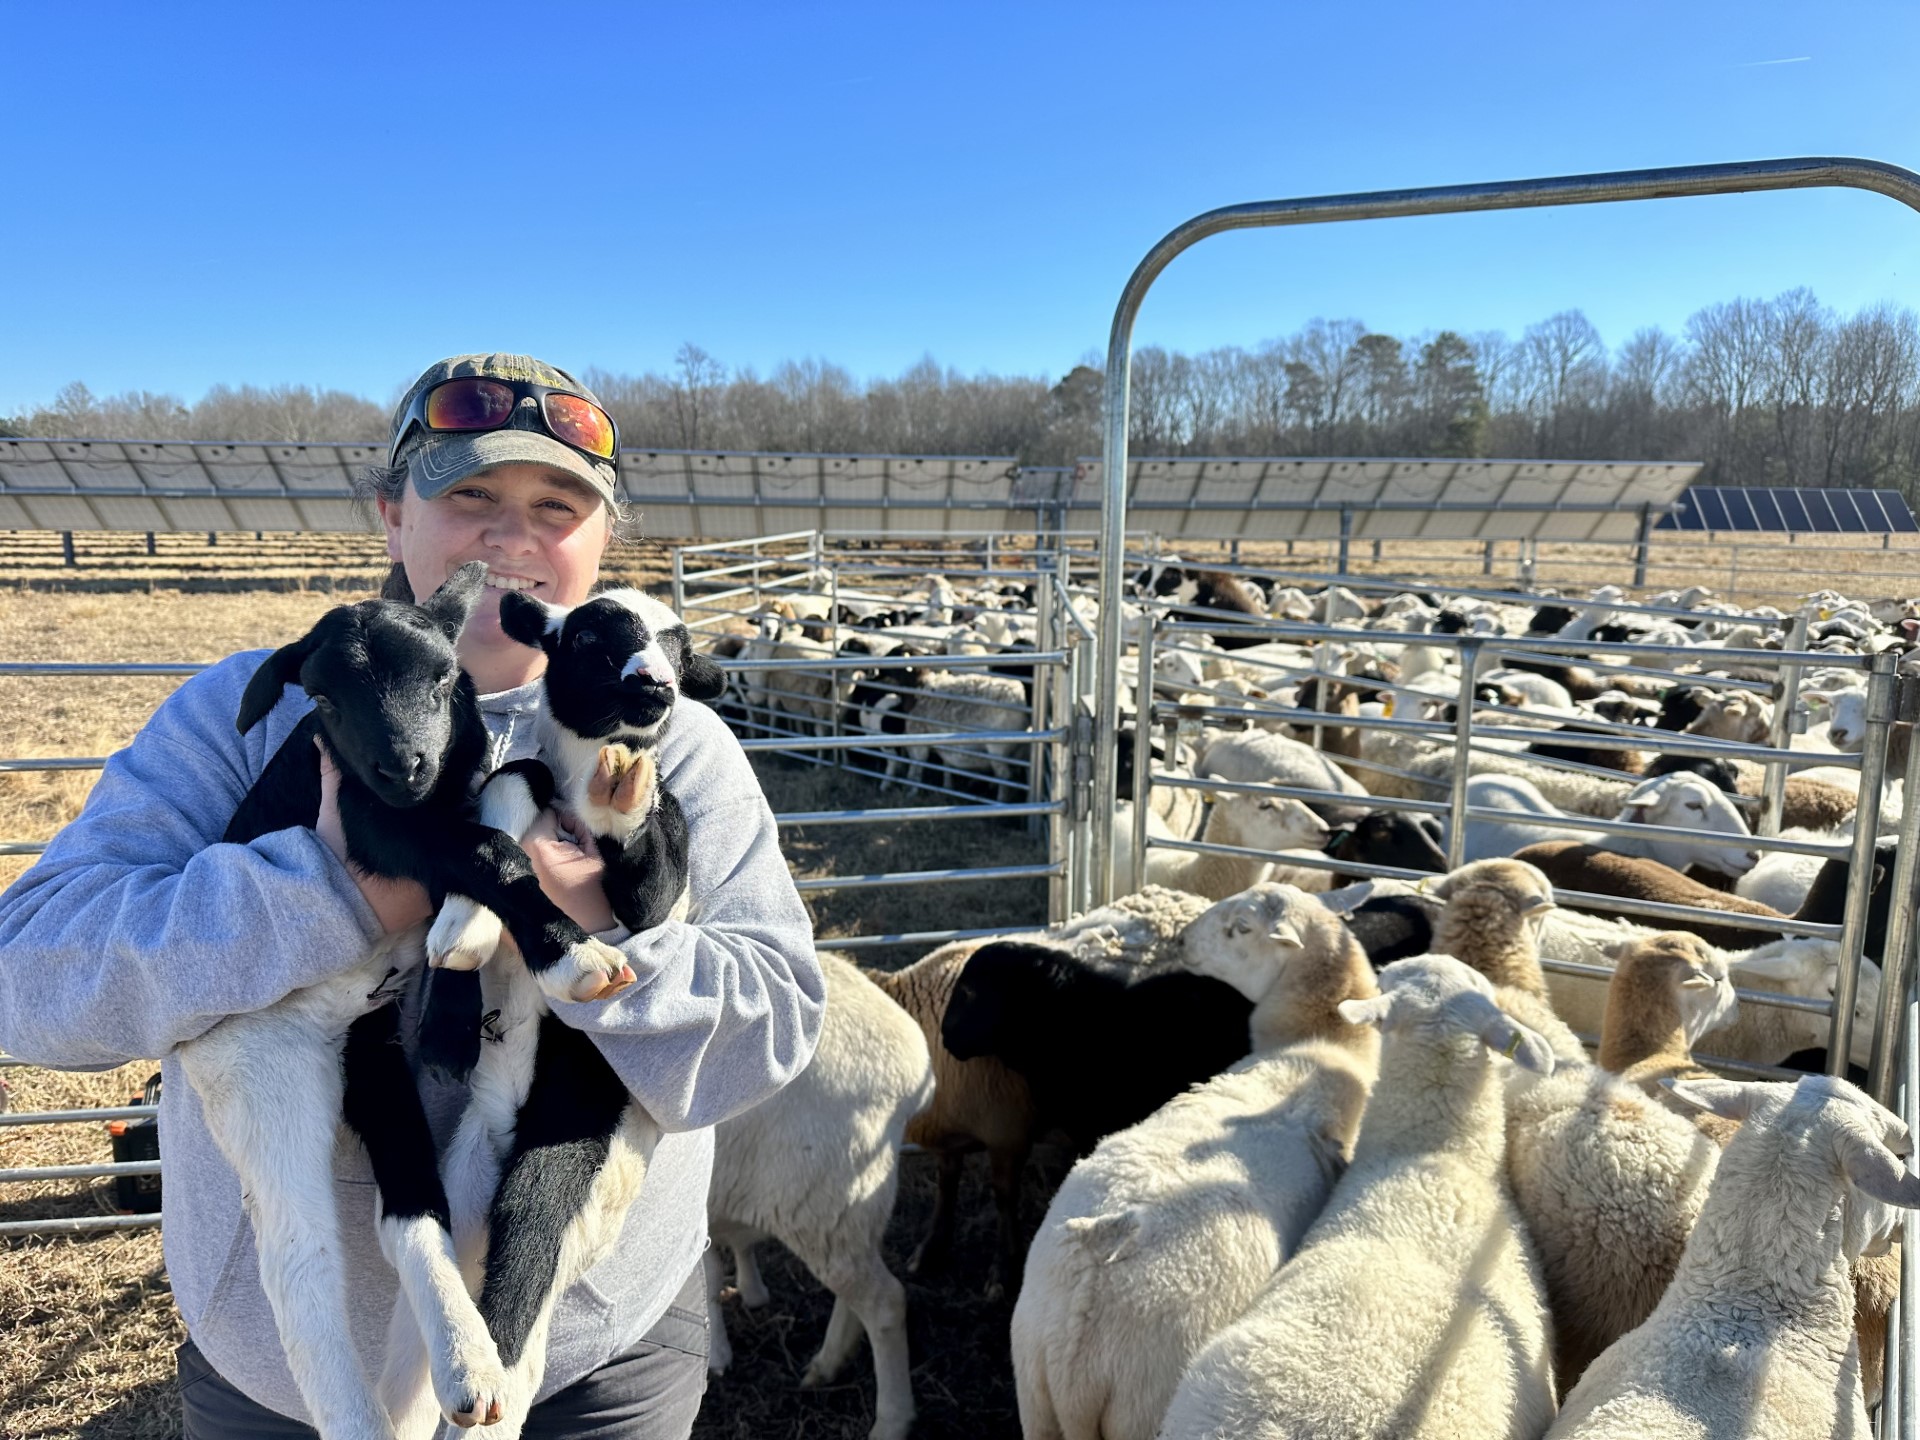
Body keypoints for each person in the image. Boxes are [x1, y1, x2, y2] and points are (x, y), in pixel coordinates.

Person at [0, 353, 825, 1438]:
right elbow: (32, 972)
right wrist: (335, 892)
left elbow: (777, 1018)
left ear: (602, 536)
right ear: (393, 513)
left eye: (557, 504)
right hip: (290, 1370)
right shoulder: (246, 717)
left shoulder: (680, 749)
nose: (512, 536)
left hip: (587, 1355)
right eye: (469, 494)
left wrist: (589, 922)